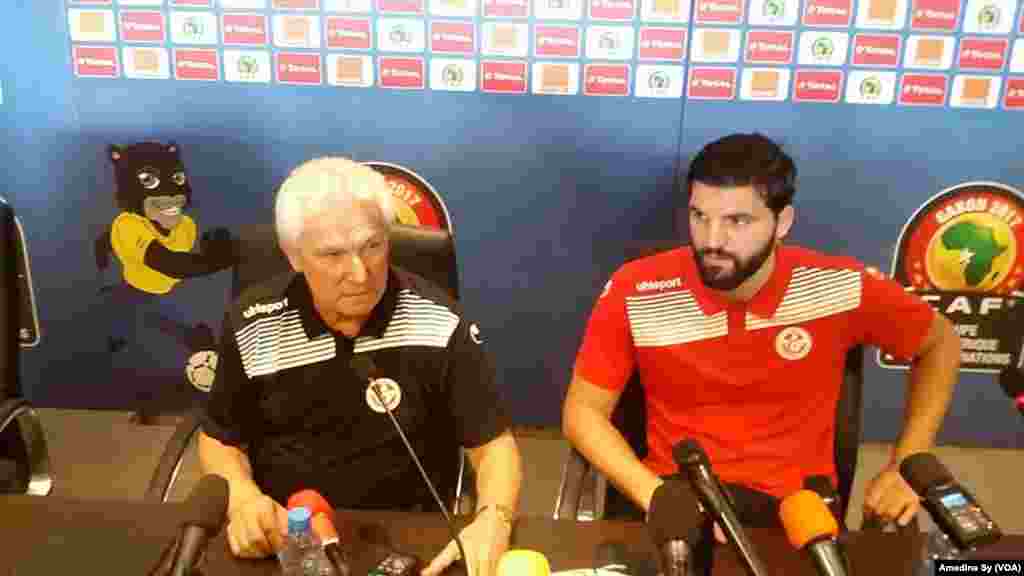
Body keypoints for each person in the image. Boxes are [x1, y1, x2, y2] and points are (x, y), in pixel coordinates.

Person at [563, 133, 960, 533]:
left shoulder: (837, 287)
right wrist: (655, 496)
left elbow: (939, 342)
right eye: (700, 216)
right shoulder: (638, 288)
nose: (713, 240)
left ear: (782, 222)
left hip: (794, 512)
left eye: (737, 221)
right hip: (675, 494)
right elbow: (582, 412)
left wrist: (908, 460)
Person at [198, 157, 522, 576]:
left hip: (409, 539)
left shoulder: (439, 322)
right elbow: (219, 438)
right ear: (293, 256)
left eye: (372, 246)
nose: (359, 273)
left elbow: (494, 447)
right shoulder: (254, 323)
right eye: (332, 254)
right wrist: (243, 498)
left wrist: (493, 518)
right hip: (289, 541)